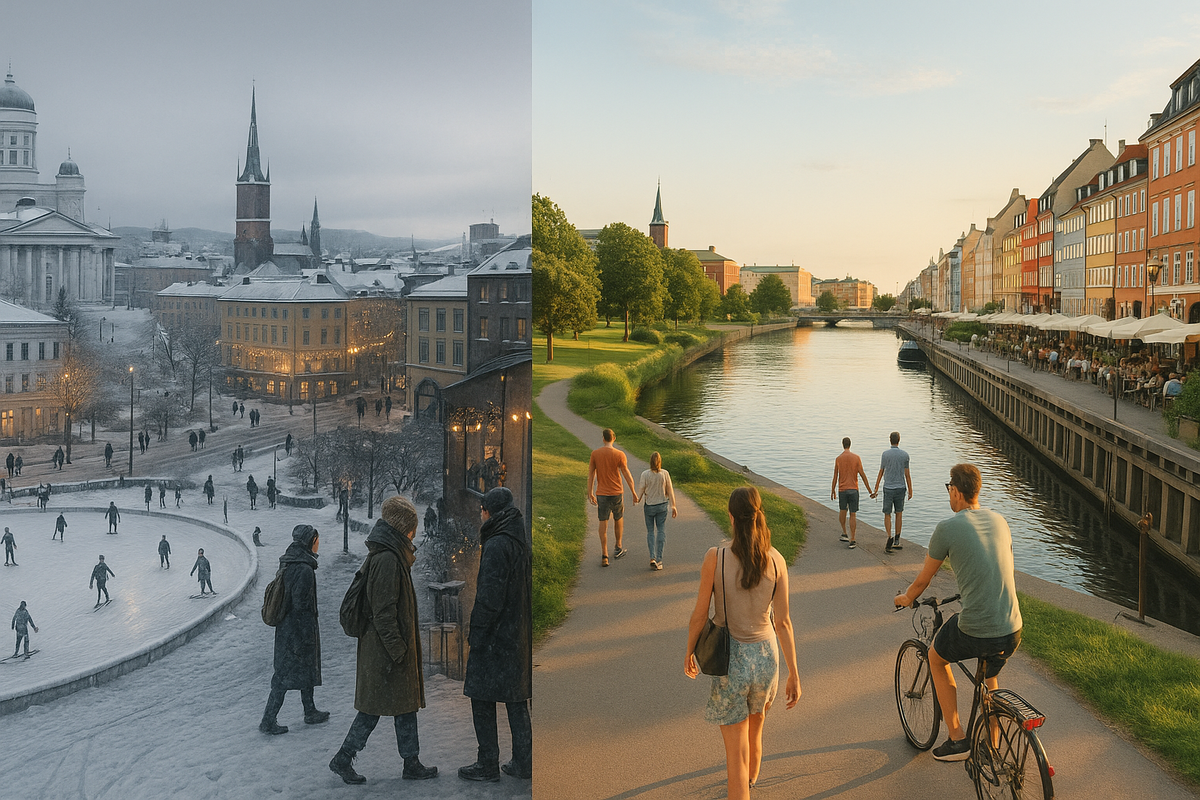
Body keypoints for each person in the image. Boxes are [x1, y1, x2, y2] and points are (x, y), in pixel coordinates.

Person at [894, 463, 1023, 762]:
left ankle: (957, 739)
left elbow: (923, 581)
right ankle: (991, 746)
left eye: (948, 490)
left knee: (936, 658)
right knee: (988, 674)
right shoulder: (1000, 520)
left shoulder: (947, 528)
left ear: (955, 490)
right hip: (1013, 627)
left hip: (979, 628)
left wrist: (905, 598)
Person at [685, 487, 800, 799]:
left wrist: (689, 652)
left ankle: (742, 790)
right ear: (759, 514)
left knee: (735, 756)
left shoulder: (716, 558)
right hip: (767, 661)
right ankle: (749, 784)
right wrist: (794, 674)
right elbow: (783, 622)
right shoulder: (777, 560)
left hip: (732, 664)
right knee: (756, 731)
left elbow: (700, 614)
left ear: (731, 517)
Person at [328, 497, 436, 784]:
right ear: (402, 529)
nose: (414, 535)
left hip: (384, 650)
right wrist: (399, 651)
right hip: (385, 652)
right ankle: (343, 758)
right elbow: (383, 613)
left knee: (404, 706)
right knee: (372, 710)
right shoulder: (388, 559)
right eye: (412, 529)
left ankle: (411, 762)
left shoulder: (389, 554)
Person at [458, 487, 532, 781]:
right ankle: (524, 762)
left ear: (489, 511)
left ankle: (487, 764)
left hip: (495, 637)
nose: (480, 513)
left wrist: (477, 633)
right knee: (516, 700)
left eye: (482, 508)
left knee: (481, 697)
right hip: (516, 633)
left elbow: (489, 596)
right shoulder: (518, 539)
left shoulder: (497, 544)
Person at [261, 524, 330, 735]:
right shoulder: (304, 569)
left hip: (285, 630)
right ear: (309, 541)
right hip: (298, 631)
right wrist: (307, 635)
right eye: (316, 540)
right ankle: (268, 720)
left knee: (294, 672)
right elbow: (301, 605)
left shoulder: (289, 562)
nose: (318, 544)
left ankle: (309, 710)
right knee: (284, 677)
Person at [586, 428, 639, 567]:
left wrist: (590, 492)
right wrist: (633, 492)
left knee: (603, 522)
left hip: (602, 494)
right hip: (617, 493)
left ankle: (604, 555)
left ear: (603, 438)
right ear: (613, 438)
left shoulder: (595, 454)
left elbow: (591, 474)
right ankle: (618, 546)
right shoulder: (620, 454)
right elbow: (626, 473)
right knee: (618, 518)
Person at [636, 452, 678, 571]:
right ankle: (659, 560)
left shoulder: (645, 474)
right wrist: (673, 506)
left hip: (649, 506)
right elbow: (670, 490)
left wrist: (637, 499)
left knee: (650, 531)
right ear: (660, 461)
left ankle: (652, 557)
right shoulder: (665, 474)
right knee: (661, 530)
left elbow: (641, 490)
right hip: (662, 506)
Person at [872, 431, 912, 554]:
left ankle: (889, 536)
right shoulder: (905, 455)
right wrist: (910, 490)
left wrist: (876, 487)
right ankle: (897, 539)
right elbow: (907, 474)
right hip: (900, 487)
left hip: (888, 488)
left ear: (890, 440)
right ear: (899, 440)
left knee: (887, 513)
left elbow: (881, 471)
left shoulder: (885, 455)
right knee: (899, 513)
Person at [831, 437, 872, 548]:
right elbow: (862, 475)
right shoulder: (856, 458)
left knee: (842, 511)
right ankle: (853, 539)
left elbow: (835, 476)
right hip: (854, 489)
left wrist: (832, 490)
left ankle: (844, 532)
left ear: (842, 445)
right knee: (853, 514)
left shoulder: (838, 459)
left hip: (842, 489)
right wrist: (870, 490)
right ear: (850, 444)